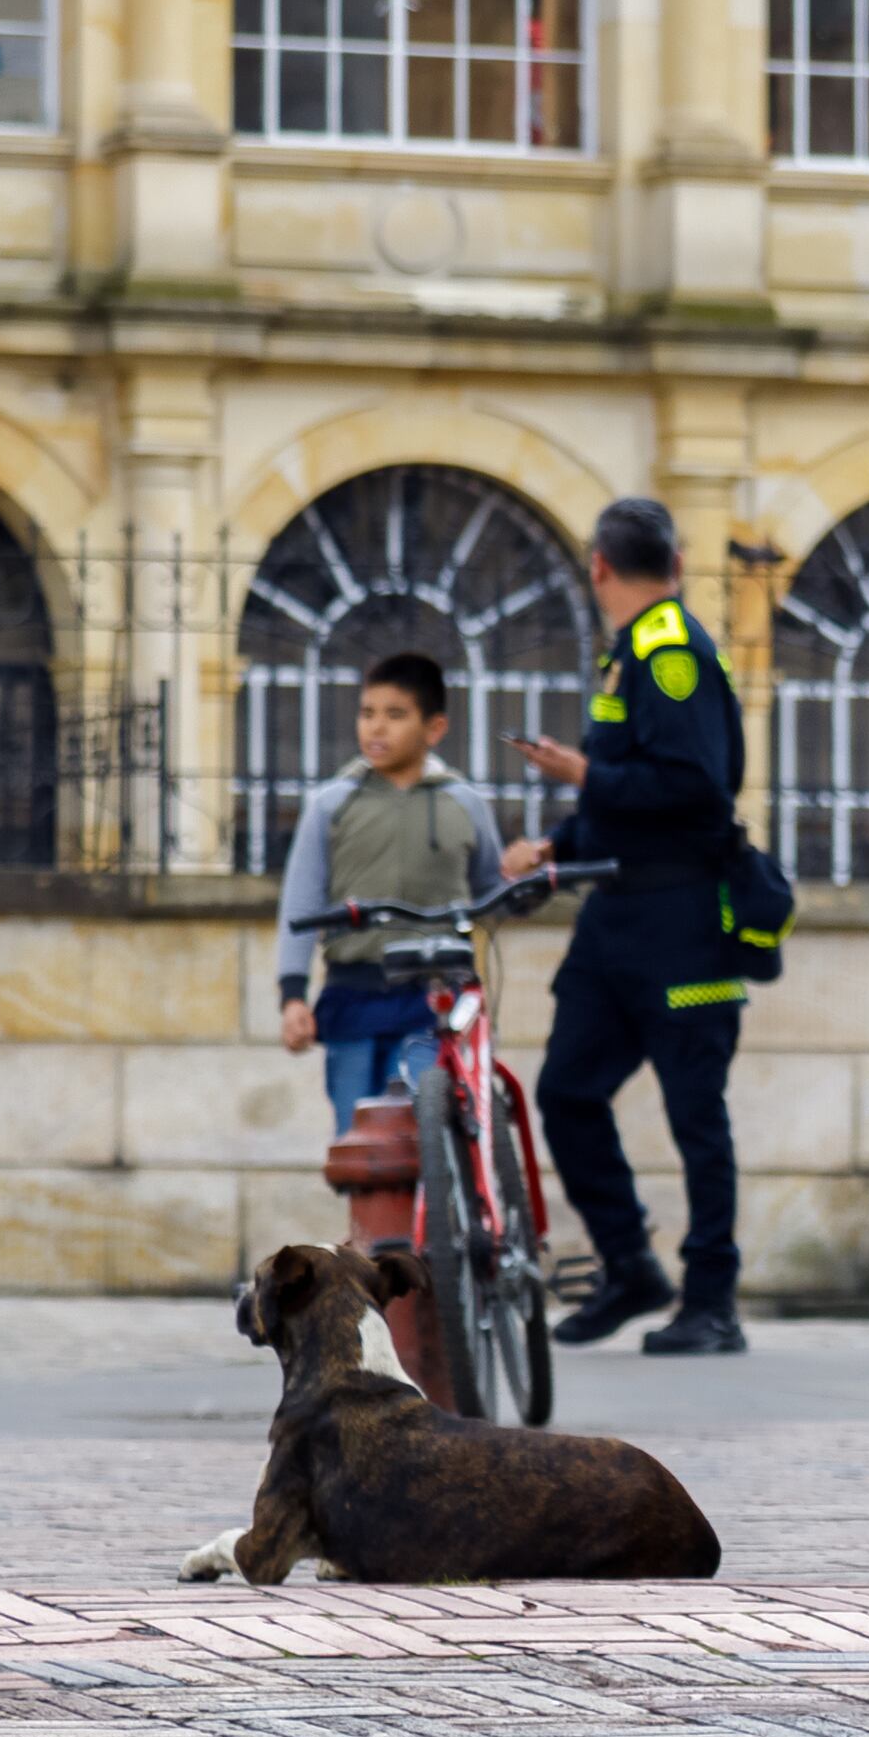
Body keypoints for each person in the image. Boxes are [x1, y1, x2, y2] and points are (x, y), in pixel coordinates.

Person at [509, 496, 759, 1358]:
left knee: (697, 1114)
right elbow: (624, 797)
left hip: (682, 916)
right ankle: (631, 1268)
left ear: (599, 568)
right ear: (677, 561)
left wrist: (583, 771)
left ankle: (712, 1301)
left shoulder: (673, 650)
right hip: (614, 915)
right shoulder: (630, 654)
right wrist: (554, 848)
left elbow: (695, 789)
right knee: (566, 1091)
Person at [272, 651, 505, 1128]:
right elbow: (301, 901)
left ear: (434, 728)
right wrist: (292, 996)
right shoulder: (331, 805)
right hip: (352, 997)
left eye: (395, 715)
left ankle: (443, 1202)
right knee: (360, 1148)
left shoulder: (465, 803)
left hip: (434, 1000)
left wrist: (520, 879)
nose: (376, 728)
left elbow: (492, 891)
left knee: (427, 1134)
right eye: (368, 713)